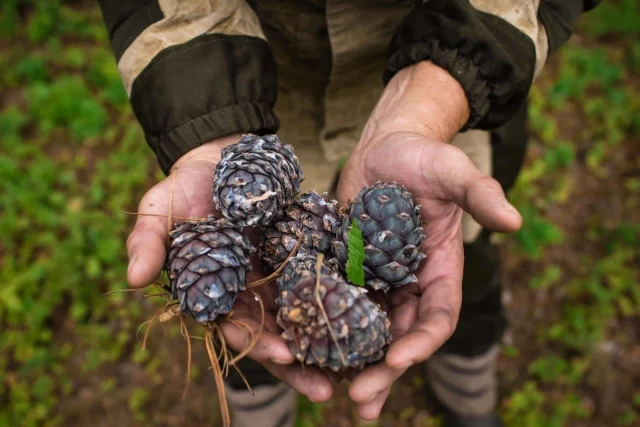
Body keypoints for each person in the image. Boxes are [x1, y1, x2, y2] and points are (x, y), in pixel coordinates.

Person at [97, 1, 599, 426]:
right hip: (253, 81)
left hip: (437, 78)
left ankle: (465, 359)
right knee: (248, 309)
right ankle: (256, 390)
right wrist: (205, 121)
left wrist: (438, 91)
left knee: (465, 252)